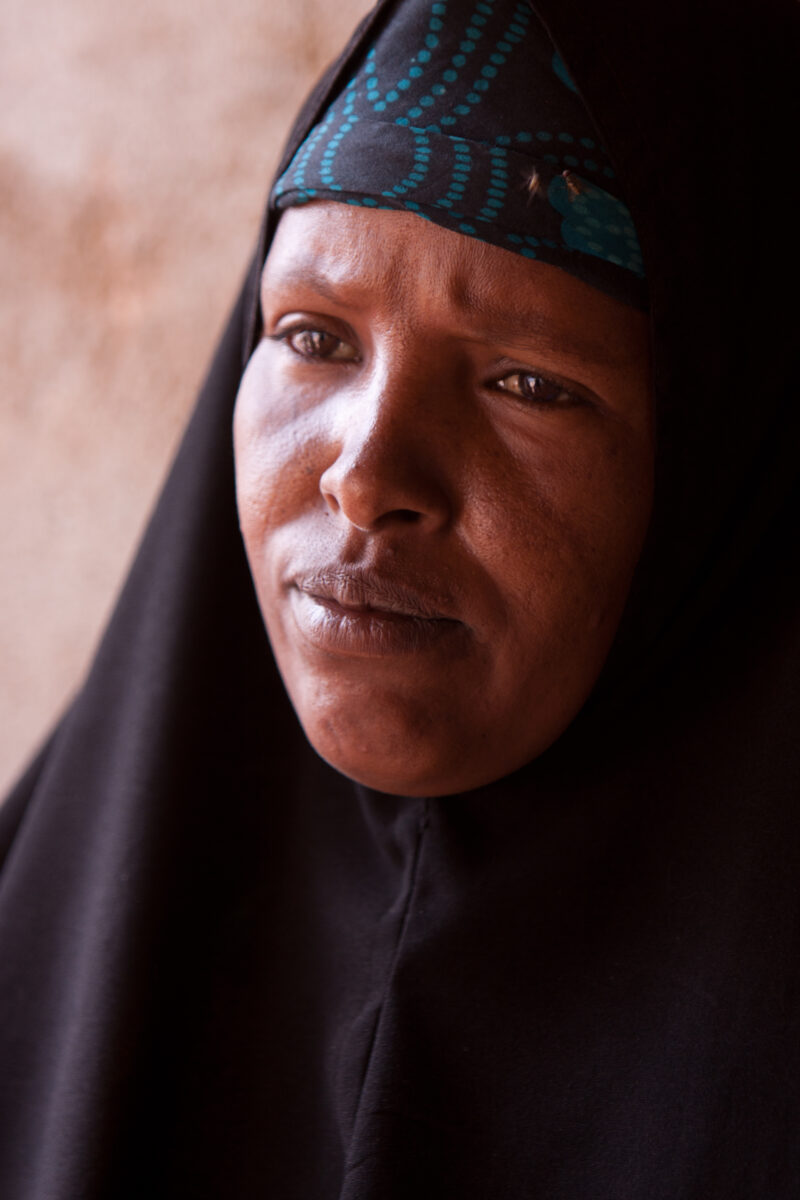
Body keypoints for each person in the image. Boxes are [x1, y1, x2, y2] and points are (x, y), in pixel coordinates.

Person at [0, 0, 797, 1196]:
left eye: (529, 381)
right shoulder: (49, 942)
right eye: (314, 339)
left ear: (716, 465)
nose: (366, 479)